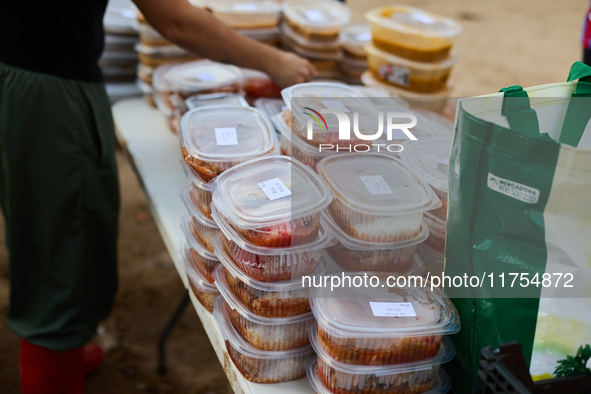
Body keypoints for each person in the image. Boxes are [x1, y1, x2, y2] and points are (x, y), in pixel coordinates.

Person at [0, 0, 316, 393]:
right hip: (47, 90)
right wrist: (276, 62)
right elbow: (175, 19)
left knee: (45, 229)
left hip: (26, 73)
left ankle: (64, 352)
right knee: (61, 255)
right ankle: (53, 359)